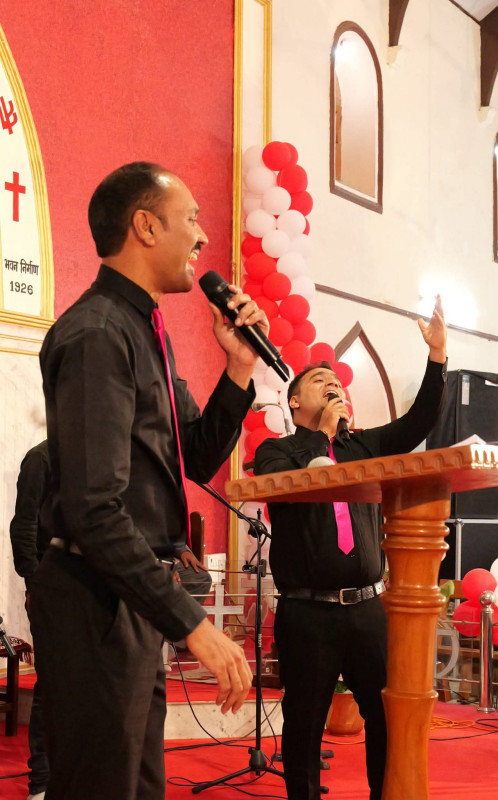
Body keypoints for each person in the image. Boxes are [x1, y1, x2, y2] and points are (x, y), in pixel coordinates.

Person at [30, 161, 263, 800]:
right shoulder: (99, 332)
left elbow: (195, 457)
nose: (203, 237)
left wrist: (239, 369)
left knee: (137, 785)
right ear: (145, 226)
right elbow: (94, 509)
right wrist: (193, 623)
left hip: (127, 599)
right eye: (191, 219)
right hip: (94, 602)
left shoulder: (142, 329)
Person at [254, 297, 447, 800]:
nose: (334, 385)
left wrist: (437, 357)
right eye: (321, 381)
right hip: (308, 613)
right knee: (303, 728)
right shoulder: (277, 451)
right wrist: (320, 438)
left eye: (337, 382)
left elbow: (419, 422)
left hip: (367, 610)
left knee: (385, 719)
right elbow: (288, 485)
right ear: (295, 403)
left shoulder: (362, 447)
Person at [9, 440, 51, 800]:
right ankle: (41, 783)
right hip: (51, 593)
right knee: (52, 685)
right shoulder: (40, 458)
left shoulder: (100, 457)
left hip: (95, 594)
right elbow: (23, 527)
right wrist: (36, 584)